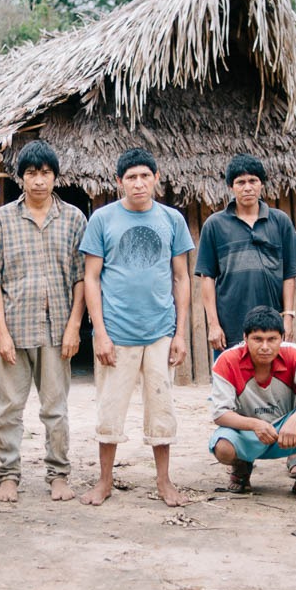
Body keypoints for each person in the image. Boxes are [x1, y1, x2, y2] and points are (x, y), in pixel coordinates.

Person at [79, 148, 194, 508]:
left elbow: (180, 276)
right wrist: (100, 331)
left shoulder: (172, 220)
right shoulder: (102, 219)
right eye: (131, 177)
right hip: (117, 331)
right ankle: (105, 480)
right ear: (119, 182)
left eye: (145, 176)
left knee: (162, 408)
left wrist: (180, 333)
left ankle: (164, 481)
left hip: (160, 331)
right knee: (110, 410)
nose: (139, 183)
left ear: (156, 178)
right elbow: (91, 278)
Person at [0, 141, 87, 503]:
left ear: (55, 177)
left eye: (45, 173)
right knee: (9, 409)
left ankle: (58, 475)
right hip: (15, 330)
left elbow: (80, 278)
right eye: (31, 173)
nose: (38, 181)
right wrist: (1, 333)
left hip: (57, 331)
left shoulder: (73, 218)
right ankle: (8, 476)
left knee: (55, 409)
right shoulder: (4, 220)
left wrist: (74, 326)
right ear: (20, 178)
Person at [209, 306, 296, 502]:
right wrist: (255, 425)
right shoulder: (227, 360)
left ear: (282, 338)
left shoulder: (294, 354)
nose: (265, 347)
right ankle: (241, 468)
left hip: (286, 430)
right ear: (245, 338)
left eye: (272, 339)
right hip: (246, 430)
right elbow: (220, 414)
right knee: (223, 448)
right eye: (257, 339)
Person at [195, 154, 296, 355]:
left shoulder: (279, 221)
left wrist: (288, 318)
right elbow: (207, 277)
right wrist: (213, 325)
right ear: (231, 187)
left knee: (273, 383)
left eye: (253, 181)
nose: (247, 187)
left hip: (272, 327)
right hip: (230, 326)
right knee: (231, 383)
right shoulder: (215, 225)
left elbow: (290, 274)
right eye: (241, 182)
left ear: (261, 184)